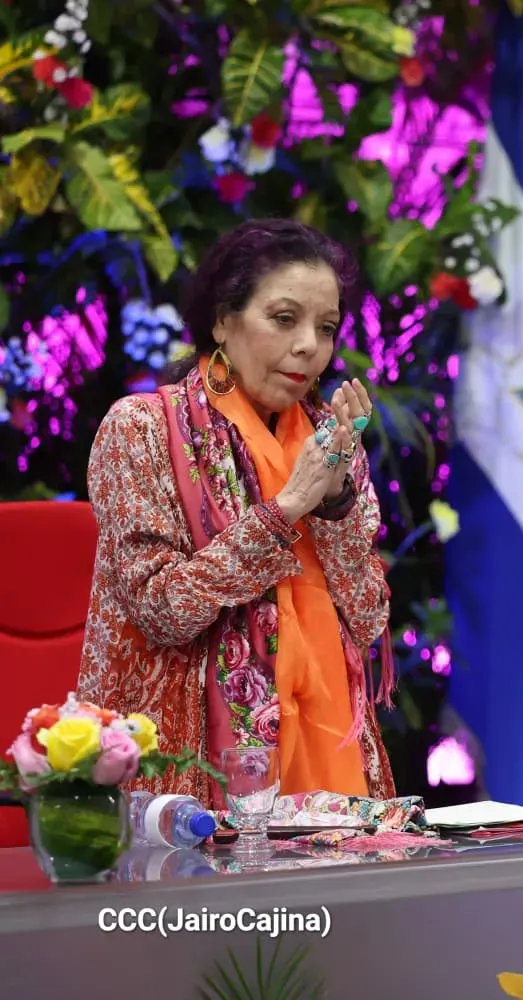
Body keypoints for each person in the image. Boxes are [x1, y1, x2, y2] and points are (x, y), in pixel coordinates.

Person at [77, 219, 396, 807]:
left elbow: (370, 618)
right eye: (284, 319)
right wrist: (286, 508)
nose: (309, 346)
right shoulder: (141, 428)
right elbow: (163, 609)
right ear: (223, 320)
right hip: (183, 773)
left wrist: (336, 502)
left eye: (326, 328)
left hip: (332, 767)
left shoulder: (330, 441)